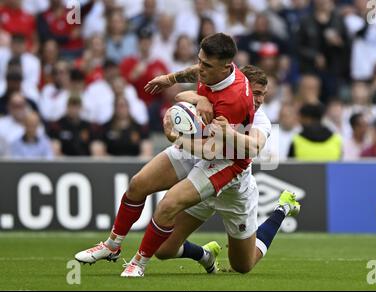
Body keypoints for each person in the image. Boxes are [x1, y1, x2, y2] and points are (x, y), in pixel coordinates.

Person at [74, 33, 256, 277]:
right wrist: (171, 79)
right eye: (200, 60)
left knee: (168, 205)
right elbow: (195, 71)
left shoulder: (235, 100)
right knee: (138, 184)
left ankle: (138, 263)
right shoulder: (215, 70)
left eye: (207, 65)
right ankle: (112, 246)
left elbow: (213, 150)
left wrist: (177, 139)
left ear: (226, 68)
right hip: (202, 141)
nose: (201, 68)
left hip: (225, 159)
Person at [152, 65, 300, 274]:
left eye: (263, 95)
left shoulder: (260, 119)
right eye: (256, 93)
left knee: (242, 266)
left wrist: (229, 133)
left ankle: (282, 208)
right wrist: (201, 99)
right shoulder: (222, 100)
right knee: (162, 249)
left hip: (235, 191)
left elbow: (255, 146)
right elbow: (181, 96)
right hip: (204, 180)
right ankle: (205, 255)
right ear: (244, 89)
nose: (259, 100)